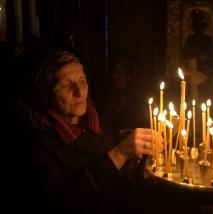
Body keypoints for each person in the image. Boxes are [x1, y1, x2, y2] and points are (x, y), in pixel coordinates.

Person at [13, 50, 160, 214]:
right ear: (46, 94)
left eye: (82, 81)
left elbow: (117, 183)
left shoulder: (96, 124)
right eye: (66, 85)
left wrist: (137, 171)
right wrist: (119, 154)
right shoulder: (36, 143)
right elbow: (59, 202)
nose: (79, 92)